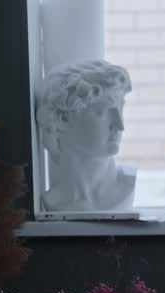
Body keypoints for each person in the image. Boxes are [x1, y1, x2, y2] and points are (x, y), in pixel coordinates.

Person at [36, 60, 136, 211]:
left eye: (120, 108)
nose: (120, 126)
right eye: (102, 112)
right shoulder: (53, 201)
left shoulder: (127, 183)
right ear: (63, 119)